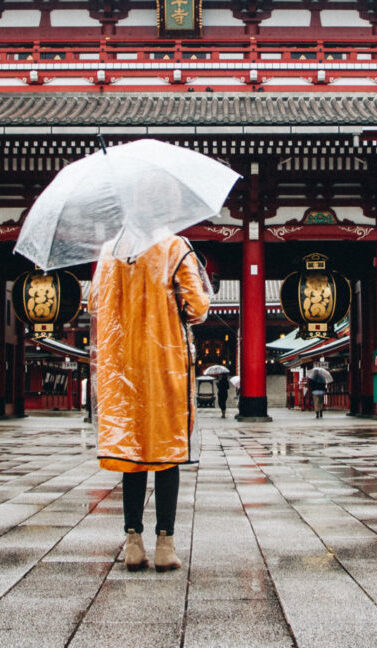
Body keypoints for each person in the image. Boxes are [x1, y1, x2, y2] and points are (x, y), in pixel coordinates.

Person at [89, 234, 210, 573]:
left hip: (121, 367)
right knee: (166, 452)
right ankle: (164, 545)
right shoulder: (175, 247)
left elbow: (94, 302)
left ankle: (132, 542)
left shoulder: (110, 250)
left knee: (132, 453)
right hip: (163, 363)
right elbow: (197, 308)